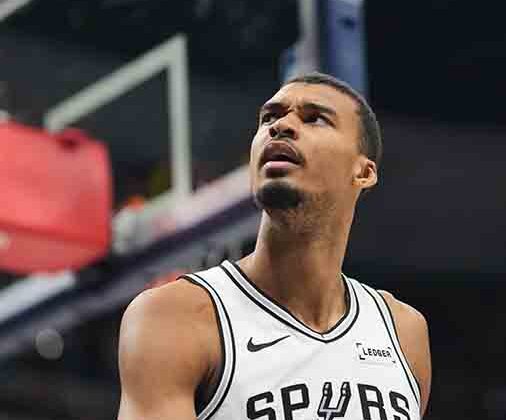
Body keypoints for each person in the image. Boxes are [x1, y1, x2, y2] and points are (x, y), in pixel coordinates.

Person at [117, 72, 432, 420]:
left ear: (363, 172)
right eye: (270, 117)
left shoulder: (403, 330)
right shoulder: (174, 316)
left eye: (315, 118)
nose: (281, 126)